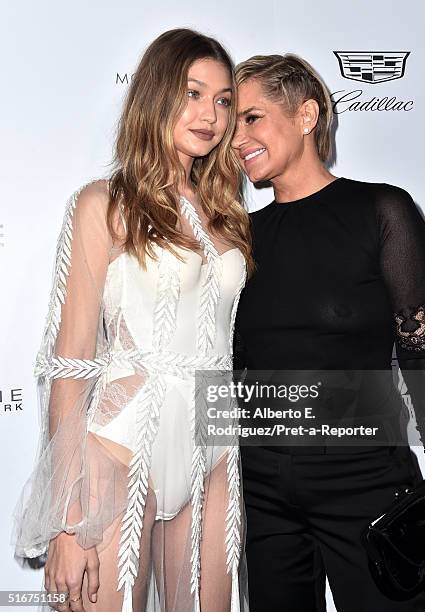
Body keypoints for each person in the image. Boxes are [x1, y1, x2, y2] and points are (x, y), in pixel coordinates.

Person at [11, 28, 253, 612]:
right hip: (118, 450)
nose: (211, 115)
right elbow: (68, 365)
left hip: (214, 446)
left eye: (223, 101)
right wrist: (68, 522)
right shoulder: (105, 203)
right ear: (156, 94)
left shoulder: (227, 211)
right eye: (193, 93)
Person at [231, 53, 425, 612]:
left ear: (306, 115)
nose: (237, 138)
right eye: (232, 125)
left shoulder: (381, 211)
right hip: (261, 492)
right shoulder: (239, 238)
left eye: (251, 118)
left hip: (367, 483)